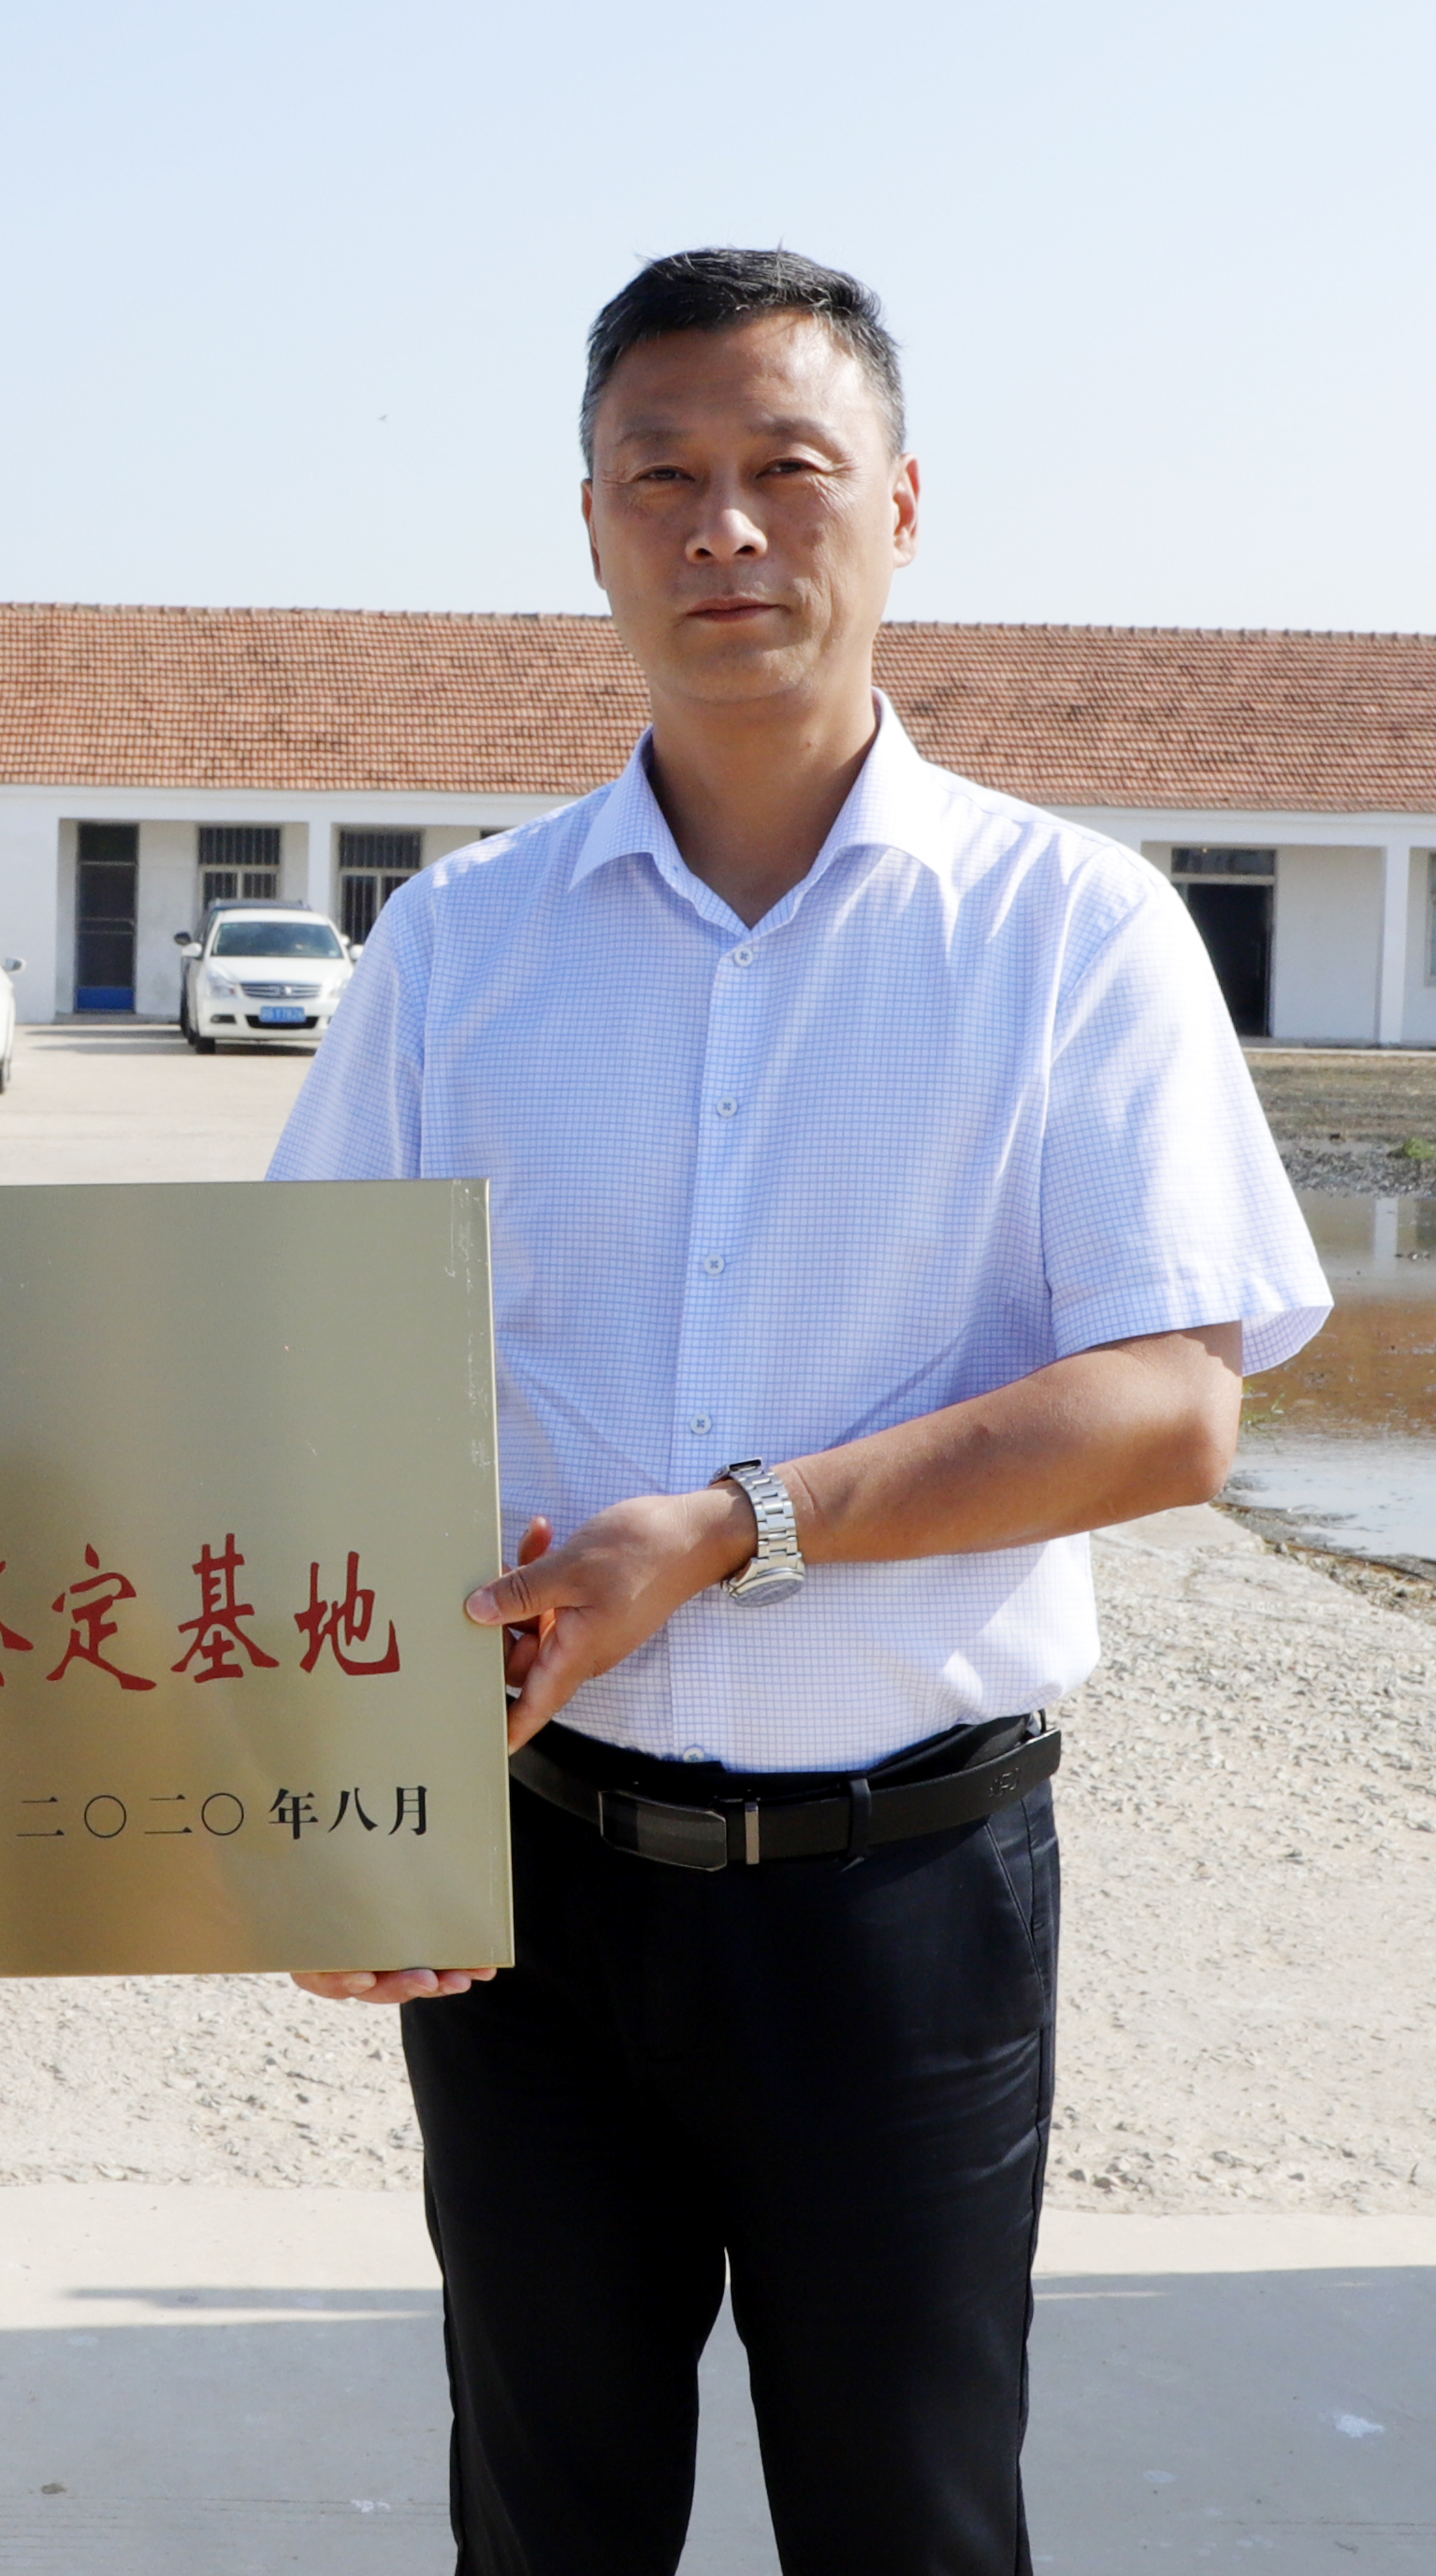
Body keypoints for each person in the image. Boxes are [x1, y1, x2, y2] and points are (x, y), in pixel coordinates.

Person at [271, 249, 1327, 2574]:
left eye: (784, 466)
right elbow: (304, 1382)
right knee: (543, 2519)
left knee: (908, 2521)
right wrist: (331, 1819)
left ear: (901, 507)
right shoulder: (458, 946)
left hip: (902, 1897)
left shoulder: (1065, 929)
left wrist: (731, 1526)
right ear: (587, 523)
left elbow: (1169, 1409)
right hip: (530, 1889)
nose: (721, 527)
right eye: (658, 475)